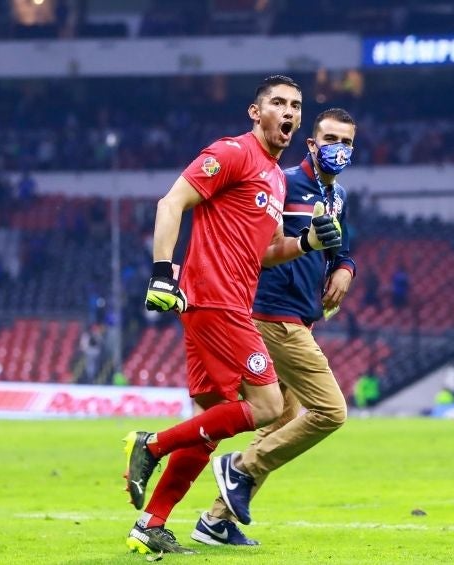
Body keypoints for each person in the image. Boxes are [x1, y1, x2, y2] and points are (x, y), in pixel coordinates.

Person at [123, 75, 342, 555]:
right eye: (279, 103)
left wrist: (307, 243)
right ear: (255, 112)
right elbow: (171, 201)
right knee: (268, 409)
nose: (288, 112)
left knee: (208, 422)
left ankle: (151, 524)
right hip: (215, 301)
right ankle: (152, 445)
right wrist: (163, 273)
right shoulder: (234, 152)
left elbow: (264, 253)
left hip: (226, 303)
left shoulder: (275, 178)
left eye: (296, 106)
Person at [196, 108, 358, 547]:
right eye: (330, 139)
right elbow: (257, 244)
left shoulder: (338, 195)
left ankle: (214, 522)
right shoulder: (280, 182)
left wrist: (346, 269)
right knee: (330, 411)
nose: (337, 149)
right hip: (273, 313)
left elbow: (341, 247)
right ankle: (239, 468)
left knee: (280, 422)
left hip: (300, 315)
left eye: (346, 143)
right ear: (311, 142)